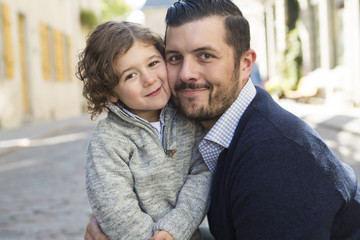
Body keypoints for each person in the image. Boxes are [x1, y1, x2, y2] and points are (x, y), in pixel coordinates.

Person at [85, 0, 360, 239]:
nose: (186, 74)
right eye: (174, 58)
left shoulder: (275, 158)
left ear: (245, 64)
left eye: (206, 56)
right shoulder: (217, 133)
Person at [76, 20, 212, 240]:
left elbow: (202, 174)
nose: (149, 79)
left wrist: (175, 228)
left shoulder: (187, 116)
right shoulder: (108, 140)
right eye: (130, 75)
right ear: (111, 92)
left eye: (153, 63)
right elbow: (114, 207)